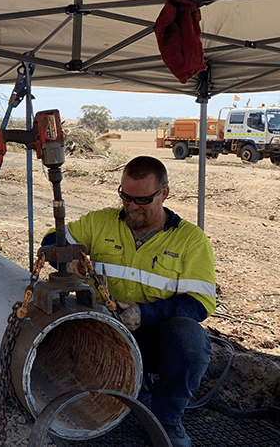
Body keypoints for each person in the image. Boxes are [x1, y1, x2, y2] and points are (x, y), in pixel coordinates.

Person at [42, 156, 216, 447]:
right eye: (126, 197)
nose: (132, 206)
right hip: (101, 334)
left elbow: (199, 303)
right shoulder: (100, 223)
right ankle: (132, 393)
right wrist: (68, 262)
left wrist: (144, 313)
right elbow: (52, 239)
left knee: (191, 341)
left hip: (155, 335)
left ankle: (166, 420)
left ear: (164, 193)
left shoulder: (190, 241)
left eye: (143, 199)